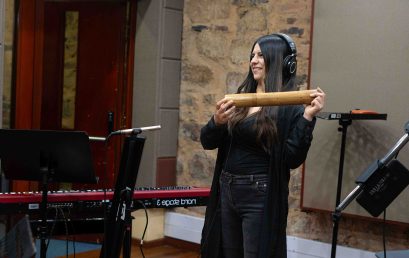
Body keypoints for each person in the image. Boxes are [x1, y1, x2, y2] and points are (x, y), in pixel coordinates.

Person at [199, 33, 325, 258]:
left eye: (260, 55)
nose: (253, 61)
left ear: (279, 61)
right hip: (227, 188)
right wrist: (217, 122)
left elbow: (292, 159)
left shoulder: (291, 105)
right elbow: (207, 141)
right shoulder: (241, 98)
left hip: (259, 195)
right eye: (252, 55)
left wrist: (307, 118)